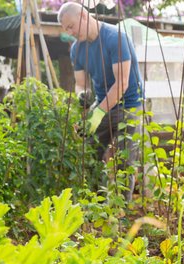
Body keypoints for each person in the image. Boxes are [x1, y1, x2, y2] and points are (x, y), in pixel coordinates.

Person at [58, 2, 142, 200]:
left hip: (128, 106)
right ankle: (97, 204)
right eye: (66, 29)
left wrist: (97, 113)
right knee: (89, 153)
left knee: (124, 162)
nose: (70, 32)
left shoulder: (115, 38)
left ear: (84, 15)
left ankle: (122, 210)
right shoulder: (76, 50)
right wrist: (82, 94)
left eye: (71, 26)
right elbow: (80, 83)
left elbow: (121, 84)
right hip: (102, 105)